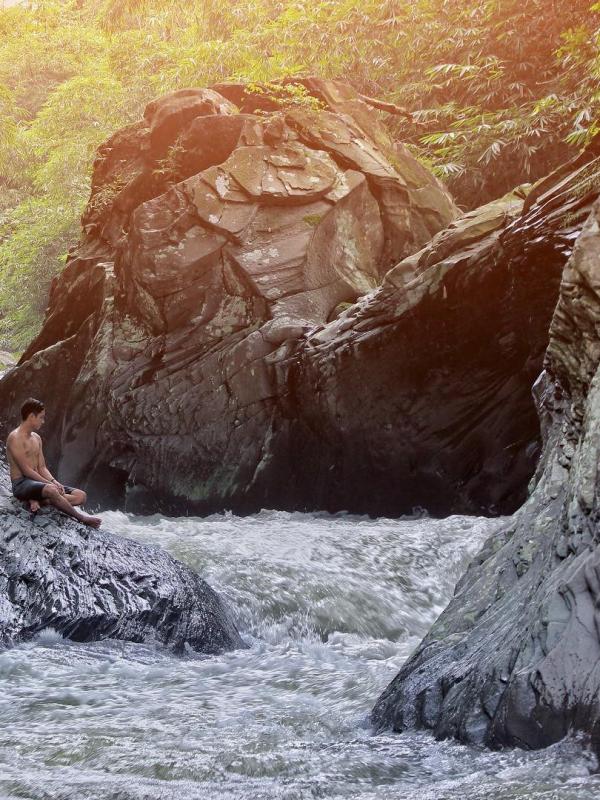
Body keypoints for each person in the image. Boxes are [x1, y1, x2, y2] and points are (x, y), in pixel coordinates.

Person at [6, 397, 101, 528]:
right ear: (32, 416)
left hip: (38, 484)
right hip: (21, 483)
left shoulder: (37, 438)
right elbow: (26, 471)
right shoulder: (14, 438)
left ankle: (39, 499)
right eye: (41, 417)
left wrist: (55, 482)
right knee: (51, 489)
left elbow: (42, 467)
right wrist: (49, 484)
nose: (43, 421)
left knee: (81, 496)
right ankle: (82, 518)